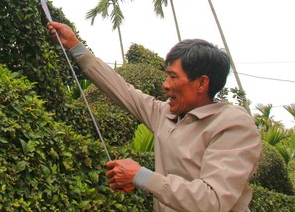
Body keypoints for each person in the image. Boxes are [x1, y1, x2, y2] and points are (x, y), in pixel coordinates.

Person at [47, 21, 262, 212]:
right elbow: (123, 90)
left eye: (173, 77)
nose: (165, 85)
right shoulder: (166, 115)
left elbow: (212, 200)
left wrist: (141, 176)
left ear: (202, 83)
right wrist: (75, 46)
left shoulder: (233, 125)